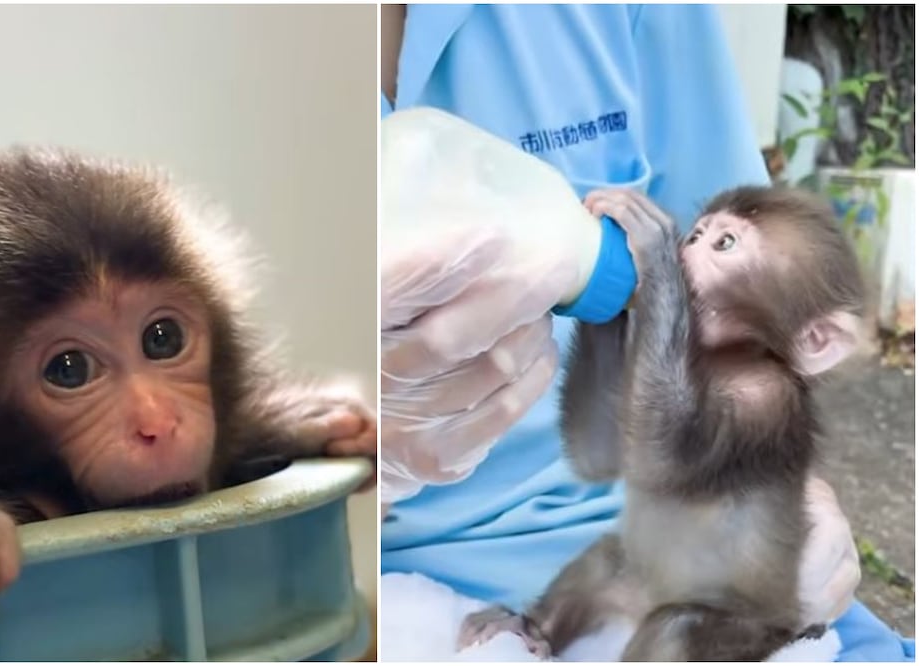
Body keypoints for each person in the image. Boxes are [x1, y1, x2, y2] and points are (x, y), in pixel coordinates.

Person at [379, 4, 914, 661]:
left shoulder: (763, 392)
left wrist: (810, 525)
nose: (689, 244)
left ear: (813, 344)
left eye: (721, 244)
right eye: (699, 233)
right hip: (424, 565)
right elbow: (597, 439)